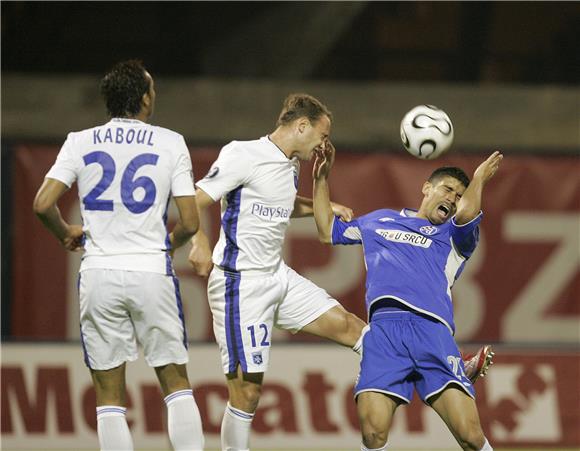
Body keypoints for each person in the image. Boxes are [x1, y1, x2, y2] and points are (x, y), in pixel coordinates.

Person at [33, 60, 205, 451]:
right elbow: (191, 222)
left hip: (99, 273)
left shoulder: (80, 140)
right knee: (176, 385)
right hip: (150, 271)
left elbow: (42, 204)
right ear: (145, 98)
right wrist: (167, 245)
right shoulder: (170, 141)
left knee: (109, 399)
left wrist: (66, 234)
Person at [187, 93, 368, 451]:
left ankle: (424, 371)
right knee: (247, 392)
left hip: (278, 277)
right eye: (322, 134)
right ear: (302, 126)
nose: (324, 143)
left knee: (351, 327)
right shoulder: (243, 154)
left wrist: (325, 200)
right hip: (241, 284)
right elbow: (194, 200)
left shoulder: (290, 164)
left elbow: (280, 203)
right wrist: (199, 241)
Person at [312, 143, 503, 451]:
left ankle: (457, 371)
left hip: (432, 332)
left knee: (470, 436)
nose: (453, 199)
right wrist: (321, 180)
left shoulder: (455, 237)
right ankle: (462, 372)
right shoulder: (380, 221)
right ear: (426, 188)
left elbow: (468, 212)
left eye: (458, 195)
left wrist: (479, 178)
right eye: (448, 189)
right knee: (373, 433)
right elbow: (326, 230)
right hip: (385, 333)